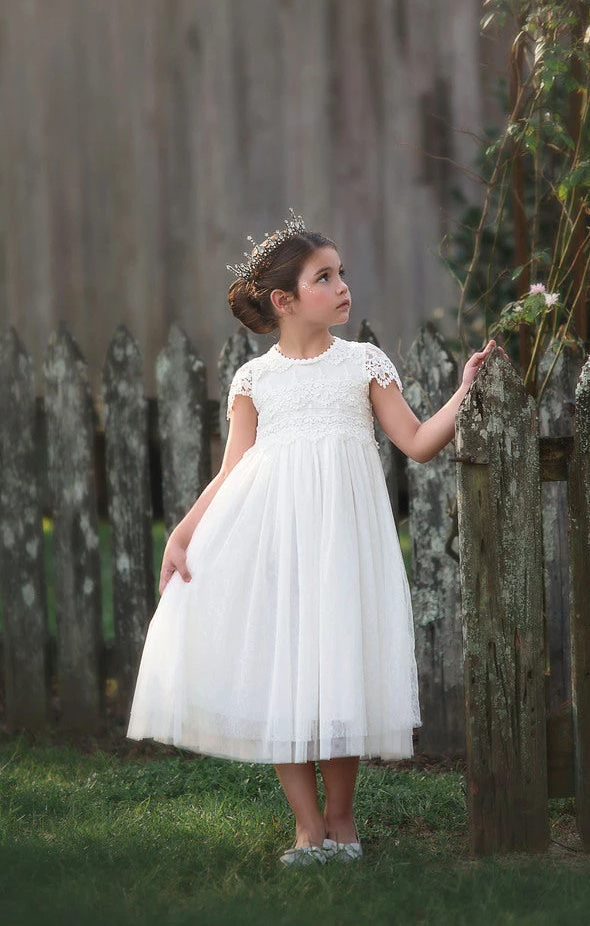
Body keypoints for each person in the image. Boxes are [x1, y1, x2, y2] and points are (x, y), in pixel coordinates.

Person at [127, 210, 499, 867]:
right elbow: (232, 470)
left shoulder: (363, 364)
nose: (342, 286)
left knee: (337, 670)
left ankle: (341, 820)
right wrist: (182, 533)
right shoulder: (255, 380)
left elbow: (416, 442)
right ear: (285, 300)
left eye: (341, 273)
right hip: (272, 540)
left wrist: (464, 391)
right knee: (286, 673)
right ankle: (306, 830)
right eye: (323, 277)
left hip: (341, 546)